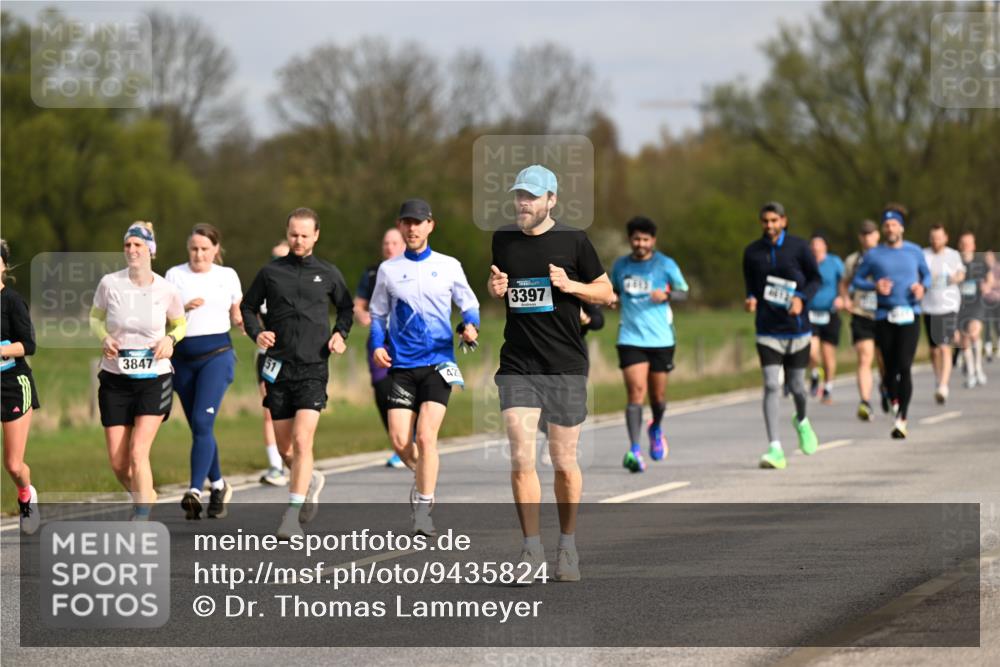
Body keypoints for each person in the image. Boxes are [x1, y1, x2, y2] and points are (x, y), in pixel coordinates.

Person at [488, 164, 613, 583]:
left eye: (531, 196)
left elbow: (606, 292)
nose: (523, 203)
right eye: (519, 195)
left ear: (551, 200)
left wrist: (571, 286)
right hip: (518, 364)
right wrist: (496, 290)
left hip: (564, 365)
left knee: (562, 461)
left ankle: (568, 546)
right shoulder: (502, 240)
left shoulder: (574, 241)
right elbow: (504, 286)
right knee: (522, 456)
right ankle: (531, 550)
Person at [240, 208, 353, 539]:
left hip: (314, 368)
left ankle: (291, 515)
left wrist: (340, 334)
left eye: (305, 235)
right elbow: (247, 307)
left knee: (303, 440)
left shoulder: (328, 273)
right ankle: (310, 479)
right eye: (293, 234)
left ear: (316, 235)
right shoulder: (270, 273)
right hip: (277, 367)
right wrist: (256, 333)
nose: (298, 240)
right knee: (285, 448)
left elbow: (346, 308)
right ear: (287, 233)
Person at [370, 199, 480, 537]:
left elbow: (469, 303)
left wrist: (470, 325)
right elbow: (377, 314)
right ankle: (424, 478)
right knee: (401, 441)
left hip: (438, 363)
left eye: (419, 222)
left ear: (430, 225)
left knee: (425, 436)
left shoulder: (448, 265)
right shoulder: (389, 270)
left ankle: (423, 508)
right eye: (407, 222)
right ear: (400, 226)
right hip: (402, 366)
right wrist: (377, 344)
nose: (413, 228)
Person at [90, 222, 186, 520]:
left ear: (150, 251)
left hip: (154, 378)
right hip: (115, 379)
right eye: (128, 245)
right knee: (119, 463)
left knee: (137, 453)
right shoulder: (110, 283)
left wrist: (170, 340)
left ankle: (142, 516)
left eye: (138, 245)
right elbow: (95, 318)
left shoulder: (166, 289)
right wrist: (104, 337)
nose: (132, 250)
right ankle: (147, 495)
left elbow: (180, 323)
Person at [165, 224, 242, 519]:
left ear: (216, 250)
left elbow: (237, 312)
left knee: (201, 419)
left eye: (205, 249)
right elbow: (165, 315)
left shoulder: (227, 276)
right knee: (200, 428)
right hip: (183, 359)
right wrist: (183, 307)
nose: (199, 254)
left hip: (217, 356)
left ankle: (195, 490)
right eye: (194, 249)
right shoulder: (174, 275)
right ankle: (219, 485)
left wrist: (244, 323)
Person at [742, 202, 821, 469]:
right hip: (767, 330)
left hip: (798, 329)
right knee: (772, 385)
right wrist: (751, 299)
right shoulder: (752, 253)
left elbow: (815, 280)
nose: (770, 226)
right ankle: (775, 448)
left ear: (784, 221)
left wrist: (801, 299)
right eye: (765, 221)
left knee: (798, 387)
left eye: (774, 220)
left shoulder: (799, 248)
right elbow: (751, 286)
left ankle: (801, 420)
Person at [610, 216, 689, 473]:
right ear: (630, 239)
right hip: (630, 338)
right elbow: (613, 292)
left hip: (661, 340)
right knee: (636, 392)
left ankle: (655, 427)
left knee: (658, 397)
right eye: (636, 239)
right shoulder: (620, 266)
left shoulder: (665, 264)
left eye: (645, 239)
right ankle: (634, 449)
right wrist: (610, 299)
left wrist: (666, 294)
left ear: (653, 240)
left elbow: (684, 291)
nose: (640, 243)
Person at [851, 204, 930, 439]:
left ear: (901, 228)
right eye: (886, 225)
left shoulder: (914, 251)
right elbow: (857, 280)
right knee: (888, 368)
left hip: (910, 314)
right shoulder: (874, 255)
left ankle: (901, 419)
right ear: (883, 230)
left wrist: (921, 286)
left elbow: (925, 274)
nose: (890, 228)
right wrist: (874, 286)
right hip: (884, 315)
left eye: (894, 224)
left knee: (905, 366)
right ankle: (890, 393)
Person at [353, 228, 406, 469]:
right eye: (386, 243)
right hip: (379, 342)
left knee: (411, 387)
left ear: (403, 245)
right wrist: (362, 315)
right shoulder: (372, 273)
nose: (389, 247)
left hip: (407, 341)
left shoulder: (412, 269)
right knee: (383, 392)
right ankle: (399, 443)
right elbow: (358, 304)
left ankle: (412, 438)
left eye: (394, 242)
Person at [1, 240, 41, 534]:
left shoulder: (13, 301)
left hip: (14, 383)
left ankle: (27, 495)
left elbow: (28, 345)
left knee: (14, 466)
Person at [839, 220, 885, 420]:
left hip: (884, 313)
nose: (867, 238)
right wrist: (846, 299)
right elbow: (844, 283)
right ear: (860, 237)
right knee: (865, 357)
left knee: (884, 360)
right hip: (861, 313)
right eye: (864, 234)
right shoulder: (853, 260)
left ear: (877, 236)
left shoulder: (888, 256)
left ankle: (885, 387)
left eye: (871, 234)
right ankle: (865, 401)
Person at [258, 240, 290, 486]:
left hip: (298, 358)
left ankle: (297, 458)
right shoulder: (265, 284)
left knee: (297, 413)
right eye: (274, 258)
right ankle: (275, 466)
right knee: (269, 411)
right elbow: (248, 312)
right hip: (268, 357)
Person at [921, 224, 964, 403]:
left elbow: (961, 273)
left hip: (948, 306)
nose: (935, 241)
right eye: (932, 238)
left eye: (938, 238)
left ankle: (944, 385)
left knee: (944, 347)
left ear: (945, 238)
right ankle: (938, 379)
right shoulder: (923, 254)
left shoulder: (953, 255)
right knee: (934, 351)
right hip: (929, 306)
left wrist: (955, 278)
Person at [806, 234, 844, 404]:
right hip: (810, 313)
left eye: (818, 246)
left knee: (828, 355)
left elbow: (844, 282)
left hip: (830, 313)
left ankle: (828, 387)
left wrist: (842, 297)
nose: (815, 249)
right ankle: (815, 374)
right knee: (811, 350)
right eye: (813, 246)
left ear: (825, 247)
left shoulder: (834, 262)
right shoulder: (806, 263)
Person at [956, 231, 993, 388]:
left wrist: (987, 286)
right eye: (963, 243)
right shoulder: (955, 261)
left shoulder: (980, 260)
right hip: (960, 304)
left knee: (974, 332)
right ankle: (971, 372)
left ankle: (978, 368)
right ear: (959, 245)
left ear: (973, 245)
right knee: (964, 339)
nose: (966, 246)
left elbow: (990, 278)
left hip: (976, 304)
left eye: (968, 243)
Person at [983, 250, 1000, 363]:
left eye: (989, 257)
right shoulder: (982, 269)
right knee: (987, 326)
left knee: (997, 325)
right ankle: (988, 352)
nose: (987, 259)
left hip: (997, 300)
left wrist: (991, 283)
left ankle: (998, 348)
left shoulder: (998, 268)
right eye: (985, 257)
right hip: (985, 301)